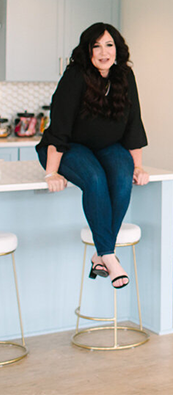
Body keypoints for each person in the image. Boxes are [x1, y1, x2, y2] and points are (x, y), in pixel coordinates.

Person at [37, 22, 149, 289]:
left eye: (109, 45)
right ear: (87, 51)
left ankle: (100, 254)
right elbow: (60, 125)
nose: (103, 52)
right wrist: (51, 172)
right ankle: (109, 256)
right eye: (96, 46)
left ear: (117, 49)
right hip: (68, 147)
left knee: (122, 176)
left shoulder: (125, 76)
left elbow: (134, 123)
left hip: (107, 147)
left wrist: (139, 166)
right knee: (96, 179)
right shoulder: (76, 76)